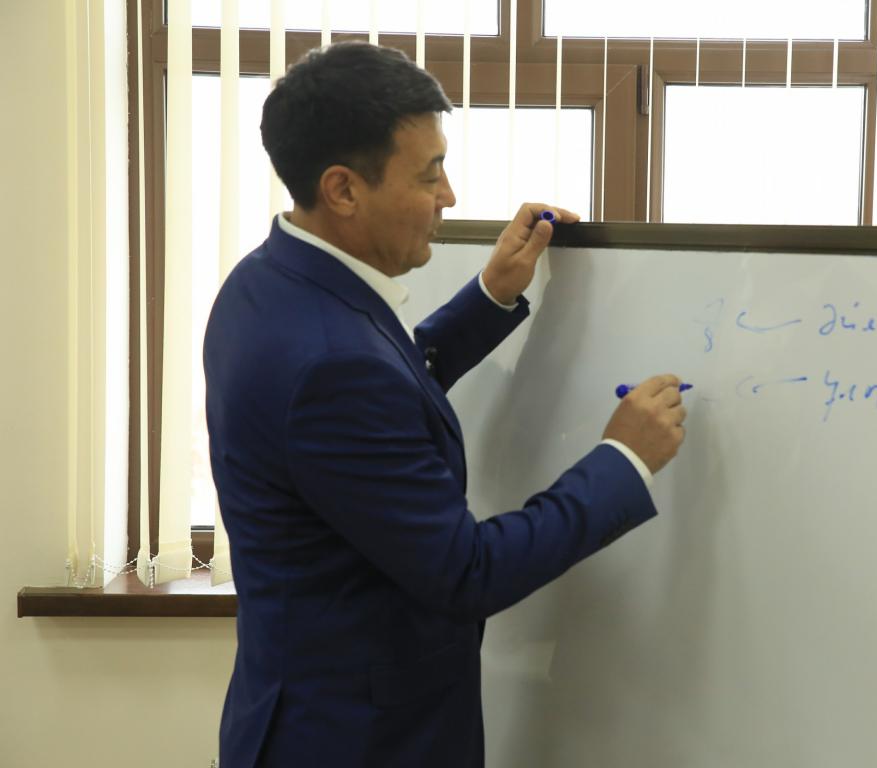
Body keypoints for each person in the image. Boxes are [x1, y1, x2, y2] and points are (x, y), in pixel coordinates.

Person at [204, 42, 687, 768]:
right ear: (343, 190)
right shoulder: (331, 364)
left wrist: (491, 296)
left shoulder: (265, 281)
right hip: (358, 742)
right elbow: (467, 572)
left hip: (301, 713)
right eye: (429, 175)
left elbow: (377, 387)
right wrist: (622, 460)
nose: (450, 197)